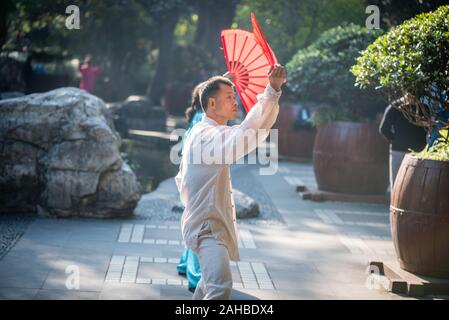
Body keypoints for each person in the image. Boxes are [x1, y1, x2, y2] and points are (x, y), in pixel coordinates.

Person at [175, 65, 286, 300]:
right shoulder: (205, 135)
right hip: (207, 227)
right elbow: (246, 133)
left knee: (208, 285)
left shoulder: (206, 130)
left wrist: (270, 92)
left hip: (210, 223)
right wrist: (272, 90)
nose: (235, 102)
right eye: (229, 97)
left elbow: (249, 133)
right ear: (212, 104)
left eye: (234, 96)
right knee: (220, 287)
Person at [176, 82, 206, 293]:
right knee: (199, 226)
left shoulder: (198, 116)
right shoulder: (202, 120)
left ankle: (185, 264)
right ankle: (196, 275)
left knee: (192, 221)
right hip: (199, 181)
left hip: (192, 178)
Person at [379, 100, 427, 189]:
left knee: (397, 185)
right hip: (418, 152)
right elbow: (383, 129)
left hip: (404, 151)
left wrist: (397, 141)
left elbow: (383, 129)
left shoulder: (395, 107)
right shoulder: (424, 108)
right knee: (416, 186)